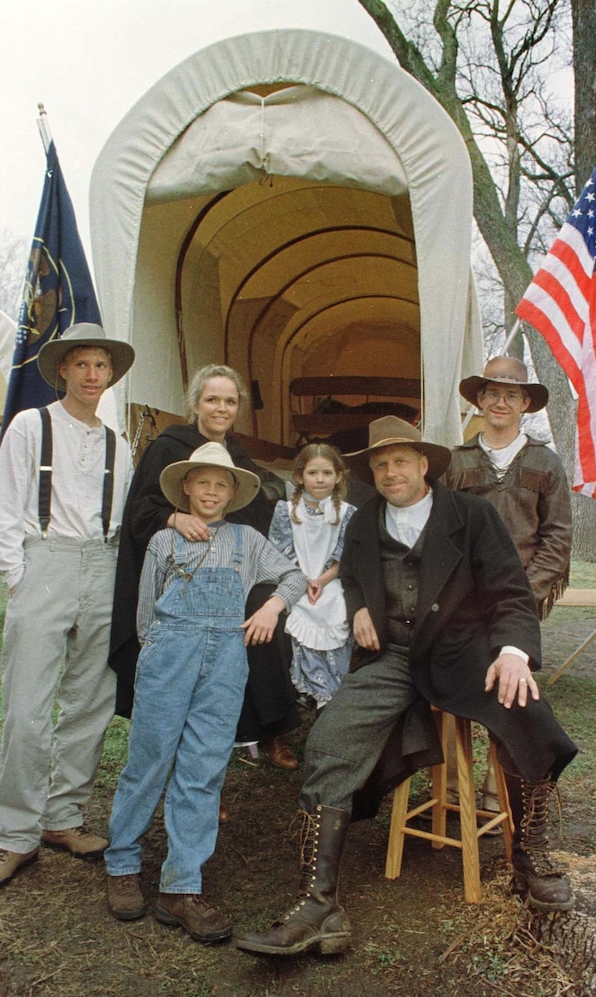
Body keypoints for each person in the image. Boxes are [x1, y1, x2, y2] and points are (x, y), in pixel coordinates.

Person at [236, 415, 577, 959]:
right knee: (329, 742)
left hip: (466, 653)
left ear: (424, 465)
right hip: (392, 656)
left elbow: (511, 589)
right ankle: (319, 904)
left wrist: (513, 652)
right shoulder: (366, 517)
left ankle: (529, 857)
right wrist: (362, 604)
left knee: (526, 712)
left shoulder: (472, 515)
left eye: (400, 461)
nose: (391, 472)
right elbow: (350, 572)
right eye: (380, 464)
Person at [104, 443, 306, 942]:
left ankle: (181, 885)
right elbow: (145, 614)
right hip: (169, 655)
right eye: (203, 482)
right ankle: (123, 866)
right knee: (148, 761)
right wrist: (160, 656)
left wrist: (270, 608)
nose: (211, 491)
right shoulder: (162, 541)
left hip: (226, 663)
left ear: (233, 492)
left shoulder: (247, 539)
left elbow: (295, 575)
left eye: (221, 484)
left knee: (204, 767)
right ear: (186, 488)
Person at [0, 323, 135, 894]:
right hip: (45, 562)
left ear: (111, 374)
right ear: (62, 369)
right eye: (82, 365)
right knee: (27, 705)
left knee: (90, 700)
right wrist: (20, 577)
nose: (92, 375)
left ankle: (63, 818)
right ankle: (15, 834)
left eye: (101, 366)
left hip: (104, 563)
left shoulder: (119, 442)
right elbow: (4, 505)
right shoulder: (29, 426)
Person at [108, 365, 301, 789]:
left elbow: (254, 511)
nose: (221, 408)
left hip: (234, 569)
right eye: (212, 399)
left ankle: (271, 726)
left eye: (230, 401)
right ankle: (196, 768)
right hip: (184, 571)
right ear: (195, 404)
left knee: (262, 617)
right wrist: (173, 517)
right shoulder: (170, 447)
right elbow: (140, 510)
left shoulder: (238, 455)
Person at [444, 355, 572, 813]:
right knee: (458, 687)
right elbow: (441, 531)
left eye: (511, 394)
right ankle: (454, 783)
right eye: (493, 393)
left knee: (512, 690)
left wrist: (521, 593)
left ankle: (498, 786)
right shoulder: (455, 462)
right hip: (461, 599)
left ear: (525, 404)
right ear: (479, 400)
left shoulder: (545, 462)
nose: (501, 401)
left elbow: (557, 539)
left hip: (521, 600)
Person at [268, 443, 356, 710]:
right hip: (295, 579)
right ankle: (309, 690)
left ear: (339, 476)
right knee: (300, 613)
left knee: (335, 608)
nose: (320, 479)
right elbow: (279, 550)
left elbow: (345, 555)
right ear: (299, 477)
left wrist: (323, 579)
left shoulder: (347, 512)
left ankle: (334, 693)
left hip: (330, 580)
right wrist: (302, 580)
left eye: (327, 473)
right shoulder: (287, 510)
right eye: (313, 473)